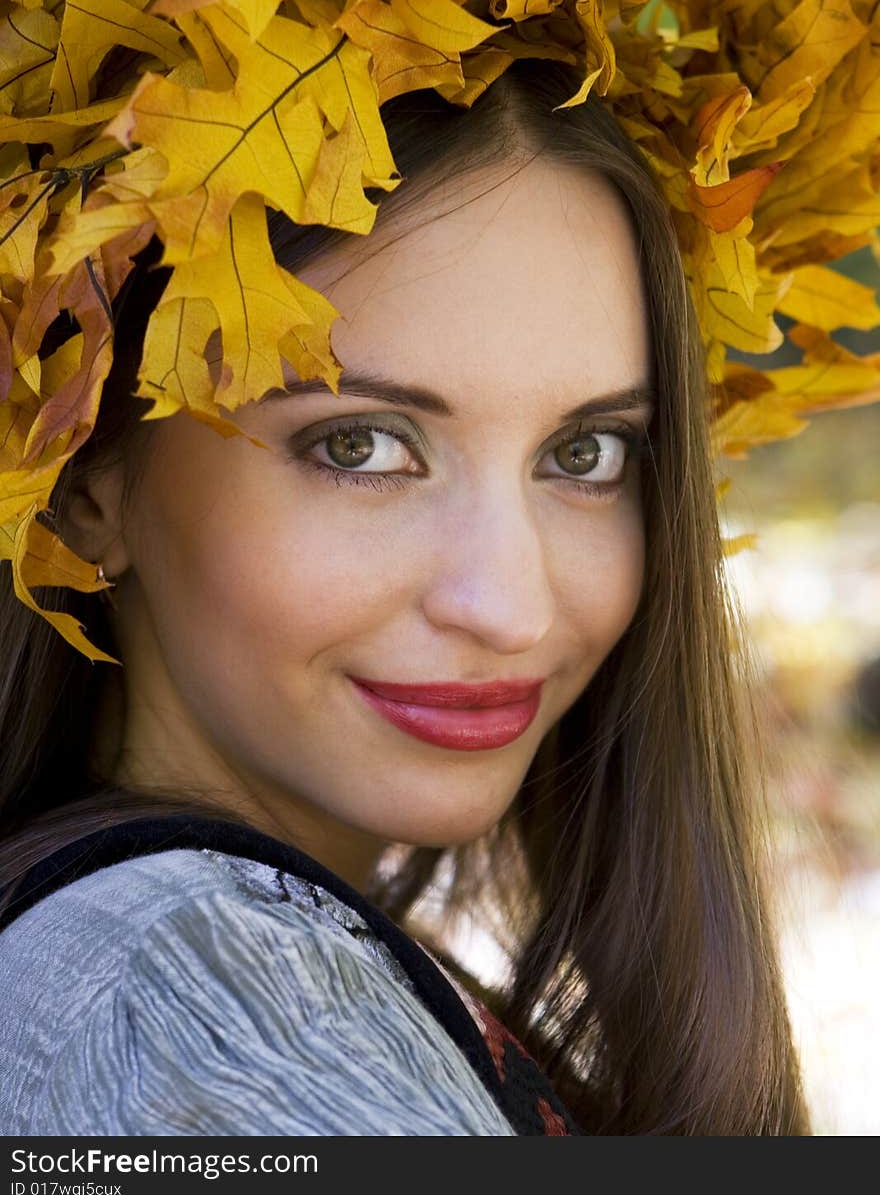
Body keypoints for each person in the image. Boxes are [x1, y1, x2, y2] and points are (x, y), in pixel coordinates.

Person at [0, 58, 809, 1134]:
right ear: (84, 482)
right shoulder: (218, 1017)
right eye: (360, 443)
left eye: (585, 452)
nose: (509, 607)